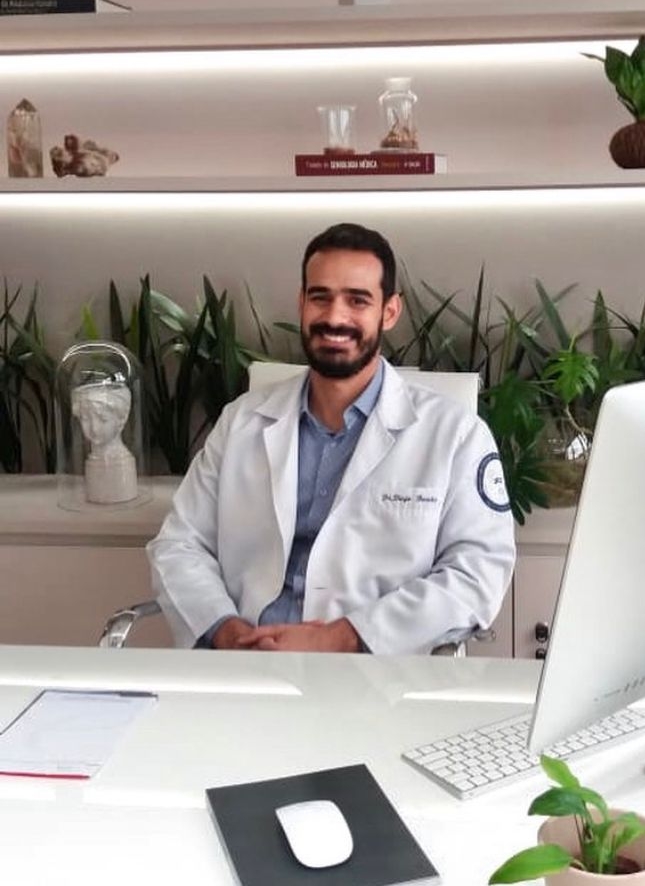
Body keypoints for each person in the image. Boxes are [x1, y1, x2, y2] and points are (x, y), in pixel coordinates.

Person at [148, 223, 515, 654]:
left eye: (358, 300)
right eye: (320, 297)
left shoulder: (455, 435)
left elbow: (477, 573)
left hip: (374, 669)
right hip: (245, 659)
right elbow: (179, 545)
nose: (335, 318)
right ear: (302, 303)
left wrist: (339, 638)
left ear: (389, 311)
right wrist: (228, 632)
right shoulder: (241, 422)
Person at [71, 381, 138, 504]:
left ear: (122, 419)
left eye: (103, 419)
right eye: (85, 418)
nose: (94, 428)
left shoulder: (121, 459)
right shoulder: (94, 456)